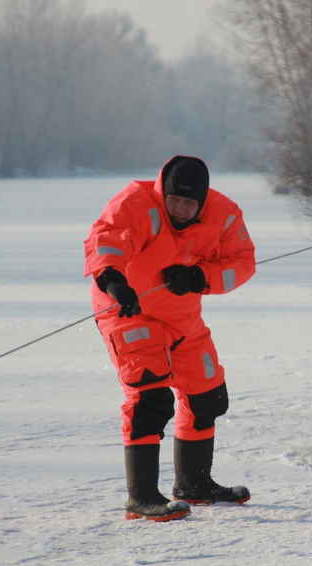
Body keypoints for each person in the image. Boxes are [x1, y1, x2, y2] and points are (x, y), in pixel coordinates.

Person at [83, 155, 256, 521]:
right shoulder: (134, 202)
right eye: (174, 200)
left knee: (207, 396)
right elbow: (106, 240)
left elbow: (242, 262)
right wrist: (114, 282)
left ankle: (194, 485)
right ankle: (142, 497)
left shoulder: (224, 215)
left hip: (182, 317)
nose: (179, 209)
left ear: (203, 202)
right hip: (129, 311)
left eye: (188, 204)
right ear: (164, 193)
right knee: (151, 399)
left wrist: (199, 277)